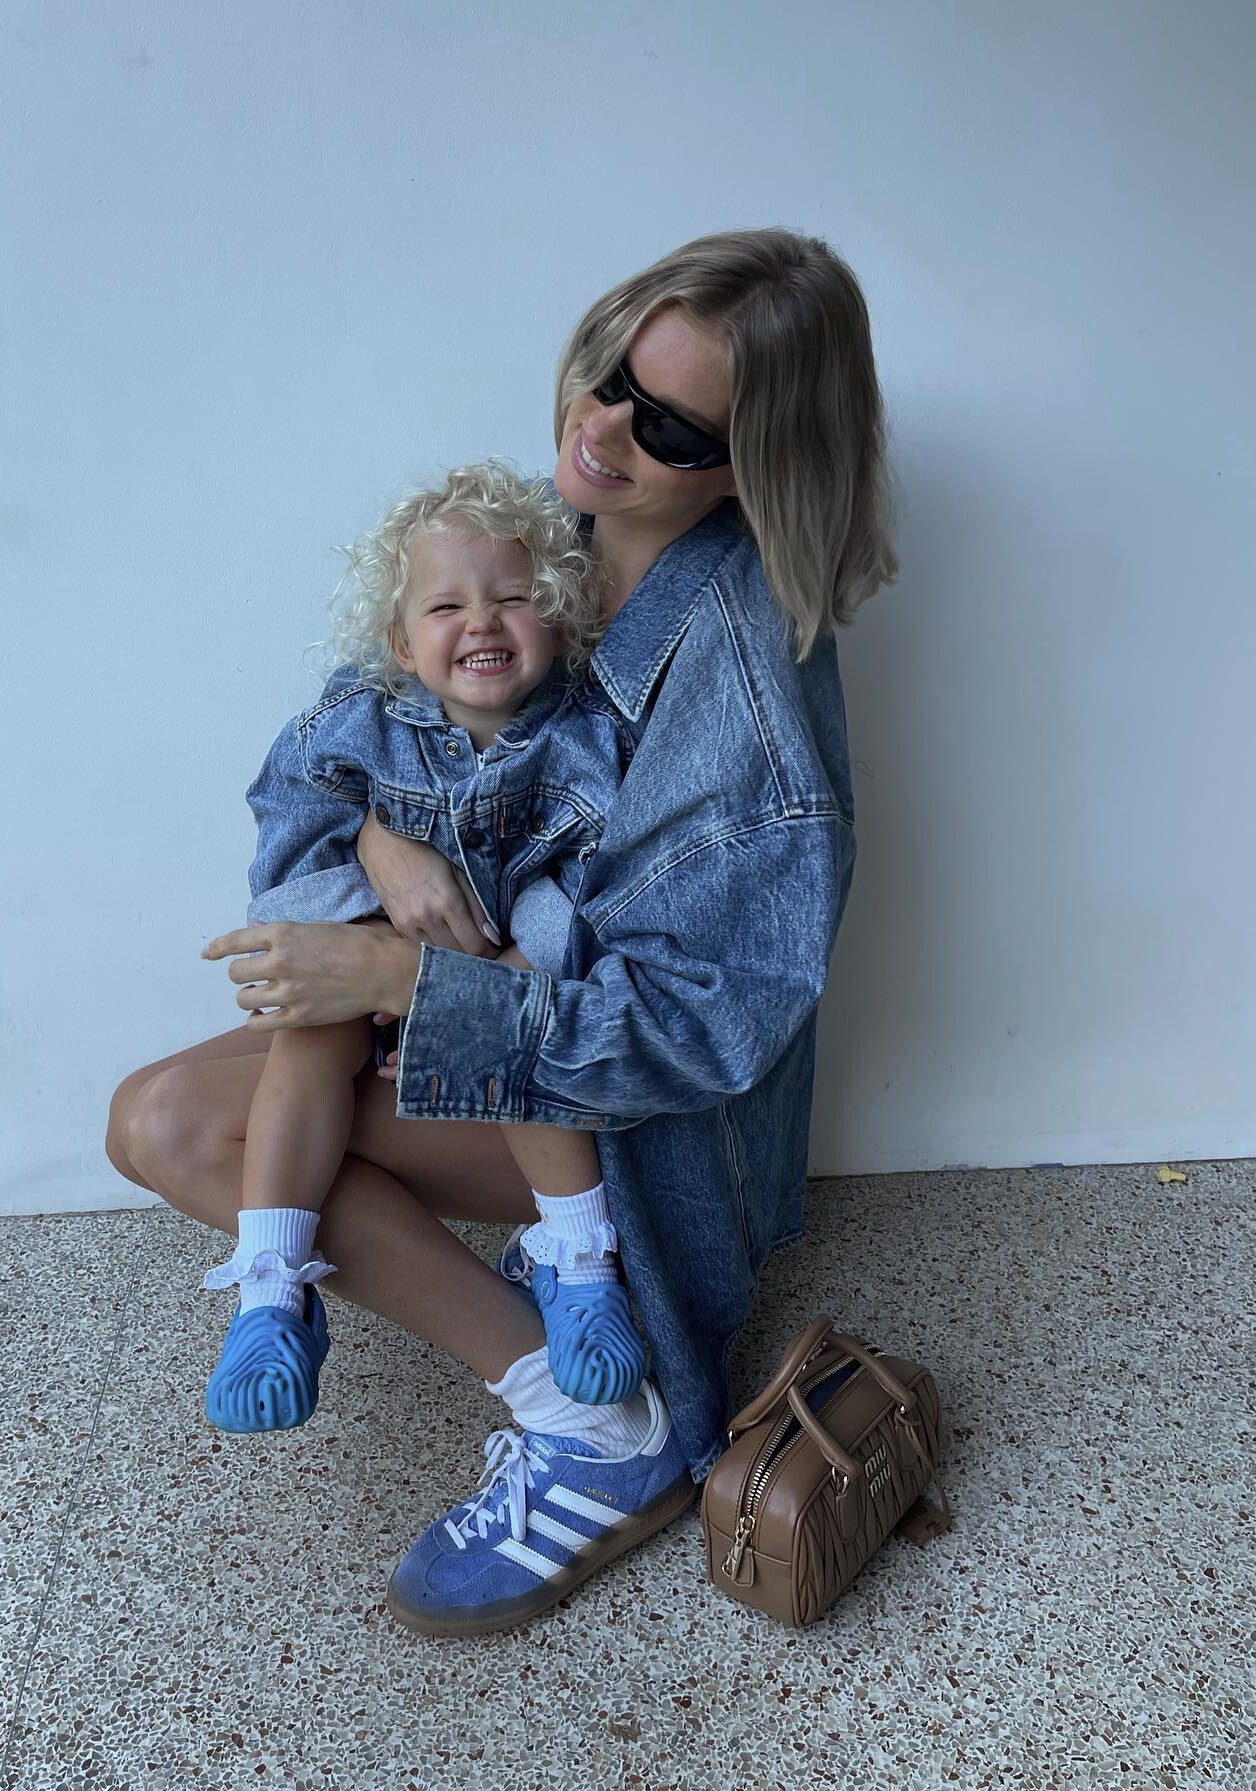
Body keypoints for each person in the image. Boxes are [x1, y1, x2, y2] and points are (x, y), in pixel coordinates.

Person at [107, 226, 898, 1638]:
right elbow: (370, 711)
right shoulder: (541, 534)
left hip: (642, 1121)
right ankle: (544, 1324)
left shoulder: (745, 693)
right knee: (152, 1115)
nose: (602, 431)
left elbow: (694, 1036)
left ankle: (608, 1429)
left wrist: (407, 975)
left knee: (190, 1130)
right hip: (493, 1015)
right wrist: (375, 834)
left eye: (668, 426)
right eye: (609, 375)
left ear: (756, 465)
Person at [201, 459, 649, 1437]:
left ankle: (580, 1261)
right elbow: (296, 816)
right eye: (446, 606)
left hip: (508, 957)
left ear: (557, 616)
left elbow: (600, 885)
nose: (481, 622)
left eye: (512, 598)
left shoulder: (585, 743)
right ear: (402, 643)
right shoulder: (357, 722)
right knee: (309, 1029)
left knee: (515, 1024)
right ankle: (271, 1290)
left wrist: (491, 977)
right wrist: (350, 917)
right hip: (373, 942)